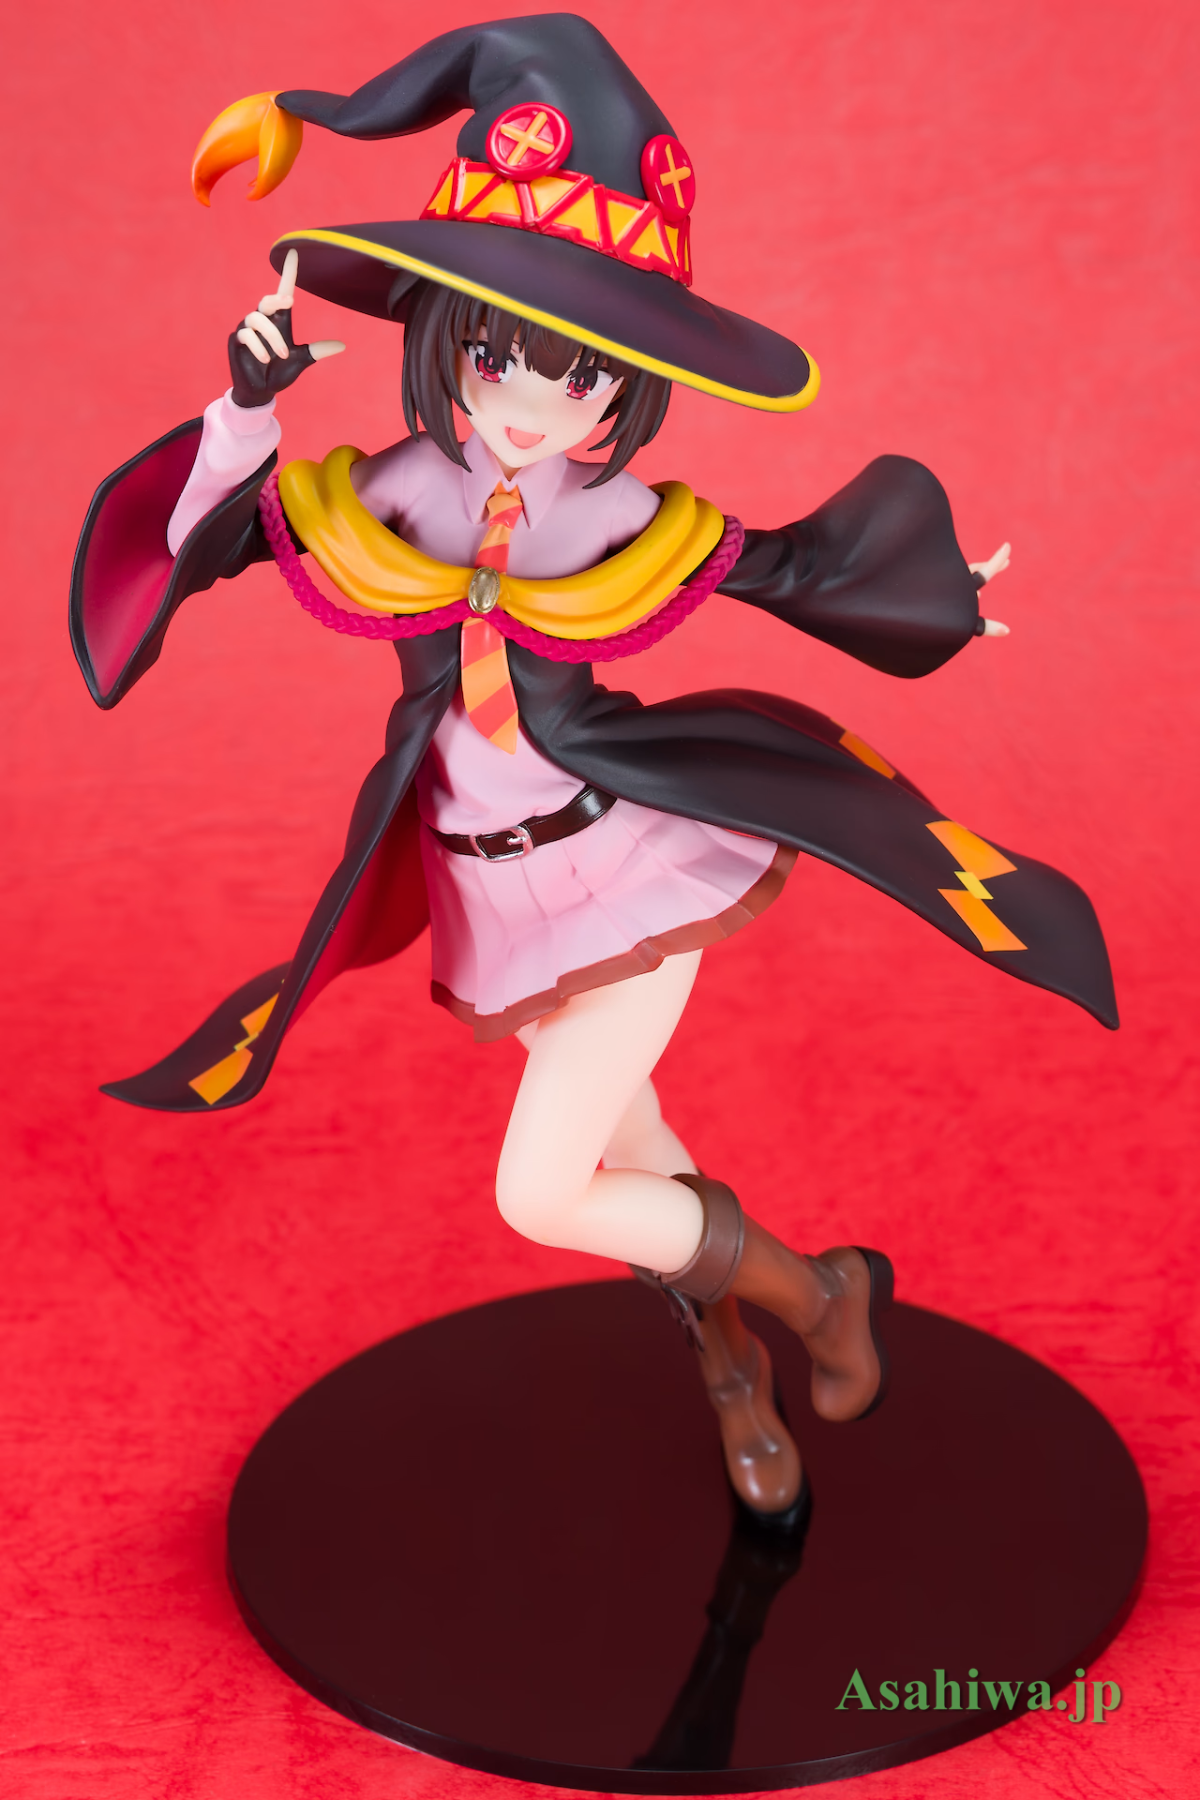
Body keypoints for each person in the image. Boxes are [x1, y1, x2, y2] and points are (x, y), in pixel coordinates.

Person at [71, 16, 1117, 1525]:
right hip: (489, 902)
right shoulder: (398, 493)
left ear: (625, 387)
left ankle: (818, 1297)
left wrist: (934, 594)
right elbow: (201, 543)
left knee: (543, 1192)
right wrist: (245, 410)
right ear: (442, 336)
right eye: (494, 352)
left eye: (574, 376)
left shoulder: (616, 520)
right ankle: (742, 1369)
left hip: (617, 866)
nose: (524, 400)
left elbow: (786, 565)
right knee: (642, 1167)